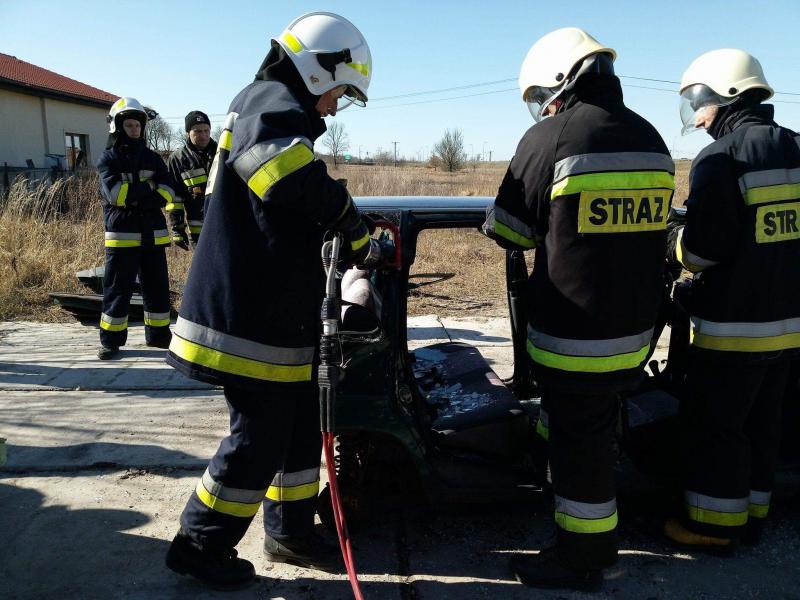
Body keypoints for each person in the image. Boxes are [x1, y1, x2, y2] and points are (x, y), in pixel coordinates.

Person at [163, 12, 388, 590]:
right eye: (340, 92)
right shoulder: (269, 102)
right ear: (318, 71)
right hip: (247, 317)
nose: (334, 108)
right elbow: (284, 178)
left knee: (296, 428)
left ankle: (289, 530)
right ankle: (199, 543)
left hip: (273, 314)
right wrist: (348, 218)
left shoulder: (272, 106)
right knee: (258, 437)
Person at [483, 28, 674, 591]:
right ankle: (551, 479)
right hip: (635, 333)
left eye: (540, 95)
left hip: (574, 337)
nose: (542, 106)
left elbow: (509, 232)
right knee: (589, 422)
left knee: (580, 448)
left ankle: (584, 558)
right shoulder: (652, 138)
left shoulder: (551, 138)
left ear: (560, 81)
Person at [663, 49, 800, 552]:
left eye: (699, 104)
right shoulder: (796, 146)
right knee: (765, 424)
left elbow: (702, 251)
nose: (698, 119)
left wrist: (673, 240)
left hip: (734, 329)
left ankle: (712, 527)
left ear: (725, 96)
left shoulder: (721, 158)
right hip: (790, 327)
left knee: (718, 428)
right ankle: (755, 515)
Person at [96, 97, 175, 360]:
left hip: (153, 236)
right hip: (122, 237)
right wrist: (150, 189)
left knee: (157, 288)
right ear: (118, 127)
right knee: (117, 290)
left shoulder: (153, 158)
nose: (134, 130)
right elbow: (116, 195)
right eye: (129, 125)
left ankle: (159, 336)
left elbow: (168, 192)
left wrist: (137, 196)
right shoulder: (108, 159)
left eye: (138, 126)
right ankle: (110, 341)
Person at [167, 111, 217, 249]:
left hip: (225, 226)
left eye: (206, 130)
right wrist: (177, 229)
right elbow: (175, 198)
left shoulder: (222, 153)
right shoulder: (177, 159)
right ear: (187, 133)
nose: (204, 135)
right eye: (198, 131)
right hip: (198, 233)